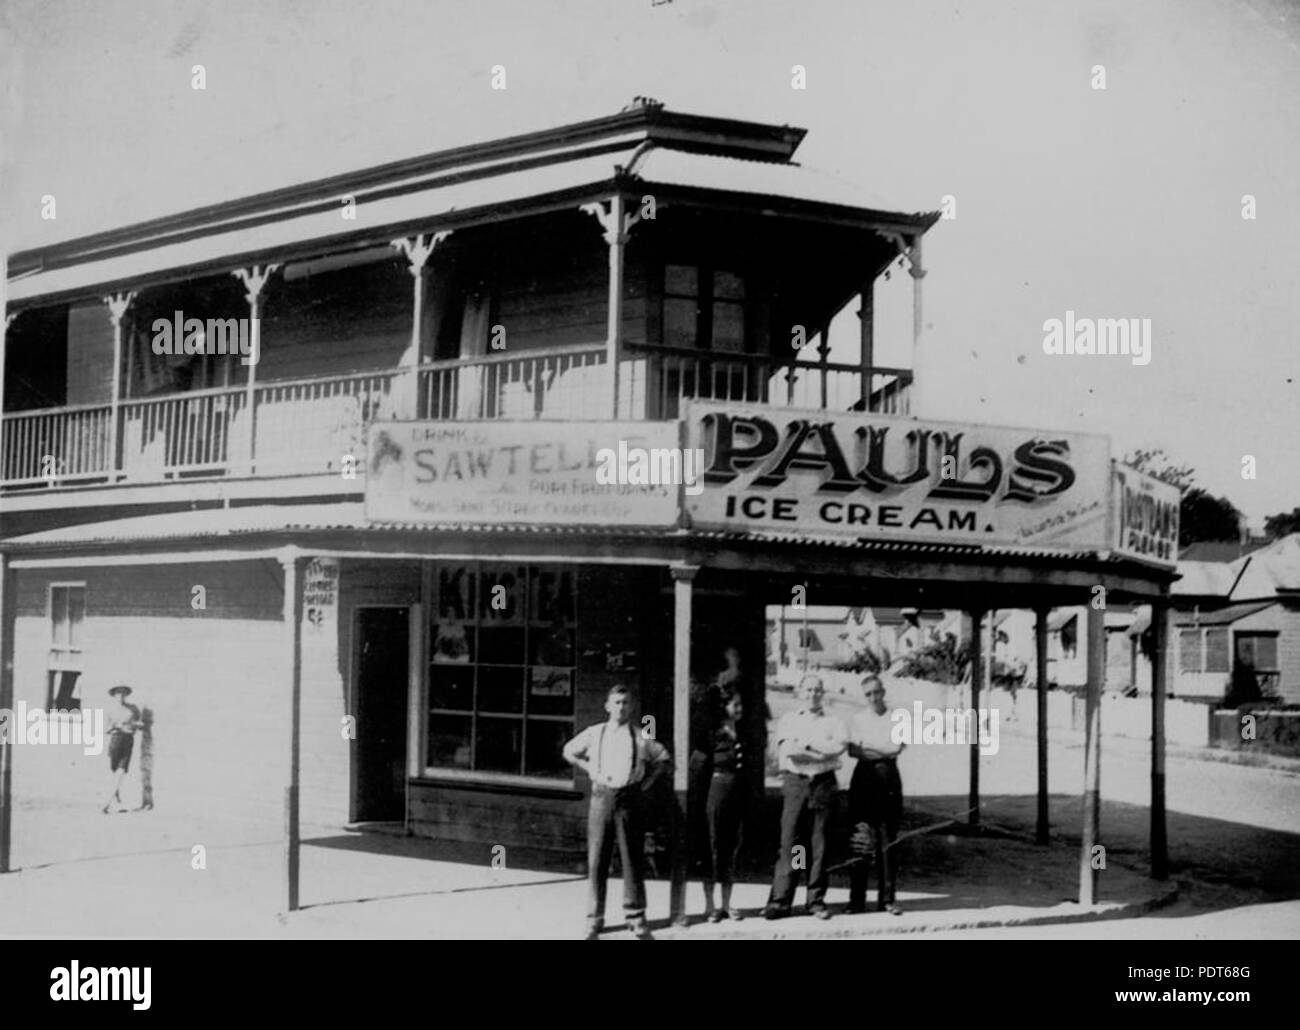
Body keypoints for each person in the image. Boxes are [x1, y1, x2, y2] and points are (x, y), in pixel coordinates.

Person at [563, 683, 672, 940]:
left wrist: (645, 784)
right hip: (602, 798)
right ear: (608, 706)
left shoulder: (640, 736)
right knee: (597, 859)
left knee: (631, 859)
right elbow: (568, 750)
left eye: (625, 703)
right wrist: (587, 766)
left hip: (629, 801)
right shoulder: (595, 733)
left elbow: (663, 758)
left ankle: (635, 917)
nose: (621, 707)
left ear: (631, 707)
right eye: (617, 703)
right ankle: (594, 918)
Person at [765, 673, 847, 920]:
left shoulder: (834, 721)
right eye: (809, 690)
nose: (813, 694)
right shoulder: (789, 720)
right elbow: (790, 751)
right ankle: (782, 900)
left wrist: (807, 747)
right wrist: (823, 754)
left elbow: (840, 747)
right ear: (801, 693)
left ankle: (815, 900)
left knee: (819, 843)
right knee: (793, 842)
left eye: (818, 690)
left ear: (823, 693)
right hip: (796, 784)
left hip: (822, 785)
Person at [847, 675, 905, 915]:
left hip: (888, 777)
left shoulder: (897, 718)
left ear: (884, 692)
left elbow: (897, 747)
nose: (873, 697)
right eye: (868, 694)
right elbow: (852, 750)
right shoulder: (857, 719)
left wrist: (870, 749)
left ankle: (887, 899)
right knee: (860, 840)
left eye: (876, 692)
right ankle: (856, 900)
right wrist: (880, 750)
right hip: (863, 779)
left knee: (887, 840)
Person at [702, 687, 747, 921]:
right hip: (716, 793)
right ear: (724, 707)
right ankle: (710, 905)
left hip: (736, 794)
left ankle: (727, 904)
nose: (739, 709)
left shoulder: (742, 731)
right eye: (735, 705)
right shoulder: (713, 733)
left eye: (740, 705)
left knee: (732, 847)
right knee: (713, 846)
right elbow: (698, 766)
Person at [103, 685, 142, 814]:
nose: (121, 696)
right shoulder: (109, 710)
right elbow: (106, 729)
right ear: (114, 695)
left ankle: (106, 804)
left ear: (126, 695)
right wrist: (117, 726)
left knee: (121, 771)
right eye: (118, 693)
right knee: (114, 771)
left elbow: (139, 724)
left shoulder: (133, 709)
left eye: (123, 693)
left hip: (128, 740)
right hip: (116, 740)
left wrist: (137, 725)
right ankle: (116, 801)